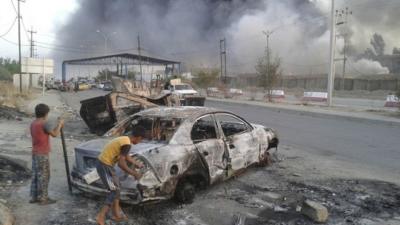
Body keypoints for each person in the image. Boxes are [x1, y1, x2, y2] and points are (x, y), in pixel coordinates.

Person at [95, 127, 145, 225]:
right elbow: (121, 164)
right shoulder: (126, 144)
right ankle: (100, 216)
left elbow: (126, 156)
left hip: (106, 165)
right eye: (141, 139)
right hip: (104, 165)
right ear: (138, 137)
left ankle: (116, 215)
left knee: (117, 188)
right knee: (113, 191)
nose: (140, 142)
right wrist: (134, 173)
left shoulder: (125, 140)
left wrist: (137, 163)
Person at [30, 103, 64, 205]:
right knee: (44, 176)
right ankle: (43, 199)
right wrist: (60, 125)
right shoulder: (44, 123)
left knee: (36, 175)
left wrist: (57, 123)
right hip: (42, 154)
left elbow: (46, 131)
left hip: (35, 152)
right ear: (46, 114)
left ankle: (34, 197)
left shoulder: (33, 123)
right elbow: (55, 134)